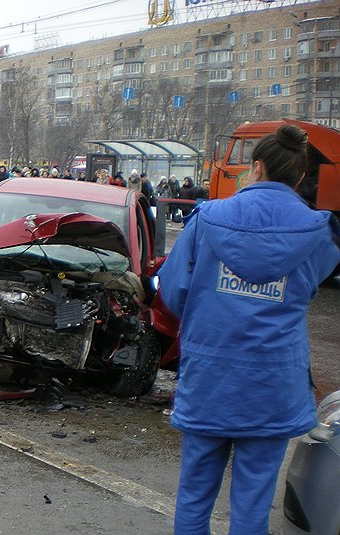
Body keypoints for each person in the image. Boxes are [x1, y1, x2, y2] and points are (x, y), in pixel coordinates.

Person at [159, 124, 340, 535]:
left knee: (193, 497)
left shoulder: (207, 219)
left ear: (255, 168)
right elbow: (313, 282)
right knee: (252, 508)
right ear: (299, 176)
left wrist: (208, 315)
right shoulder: (318, 232)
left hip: (209, 378)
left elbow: (172, 291)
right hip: (273, 383)